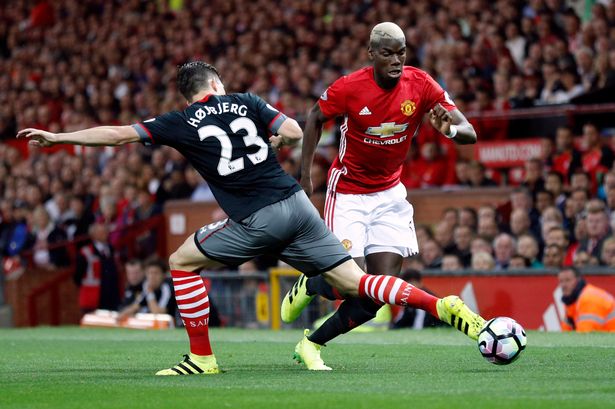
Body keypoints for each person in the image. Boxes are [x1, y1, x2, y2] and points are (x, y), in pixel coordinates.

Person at [18, 60, 485, 375]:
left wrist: (58, 137)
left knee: (181, 260)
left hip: (256, 221)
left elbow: (118, 135)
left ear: (189, 95)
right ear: (217, 84)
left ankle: (201, 358)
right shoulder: (246, 101)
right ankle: (440, 305)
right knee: (355, 284)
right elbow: (297, 130)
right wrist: (277, 143)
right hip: (298, 207)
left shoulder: (178, 122)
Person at [282, 22, 478, 369]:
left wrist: (450, 131)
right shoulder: (349, 87)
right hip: (348, 194)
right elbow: (315, 117)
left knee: (376, 294)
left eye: (401, 52)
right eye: (387, 53)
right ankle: (314, 283)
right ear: (371, 53)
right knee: (352, 285)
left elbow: (469, 132)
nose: (396, 60)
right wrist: (306, 175)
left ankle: (311, 344)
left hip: (389, 195)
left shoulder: (420, 84)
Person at [558, 267, 615, 332]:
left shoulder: (588, 299)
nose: (563, 285)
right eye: (561, 281)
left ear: (578, 280)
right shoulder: (572, 301)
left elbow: (586, 336)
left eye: (568, 280)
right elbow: (565, 332)